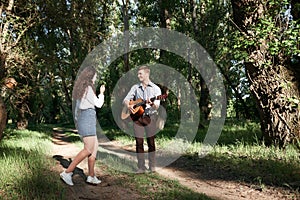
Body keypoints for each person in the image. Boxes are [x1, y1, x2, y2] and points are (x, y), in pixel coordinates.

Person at [60, 66, 105, 186]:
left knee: (94, 147)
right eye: (95, 75)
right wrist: (101, 93)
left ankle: (91, 176)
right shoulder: (89, 89)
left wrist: (77, 121)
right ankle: (67, 172)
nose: (96, 78)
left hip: (86, 118)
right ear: (91, 76)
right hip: (87, 118)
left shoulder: (82, 89)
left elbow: (77, 109)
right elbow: (99, 104)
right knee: (88, 149)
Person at [123, 65, 161, 173]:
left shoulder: (155, 89)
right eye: (138, 73)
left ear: (147, 74)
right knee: (139, 142)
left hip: (150, 117)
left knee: (151, 141)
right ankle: (141, 167)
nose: (138, 75)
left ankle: (152, 166)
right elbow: (126, 99)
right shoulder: (135, 87)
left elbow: (157, 105)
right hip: (137, 117)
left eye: (140, 73)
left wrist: (152, 103)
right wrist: (129, 105)